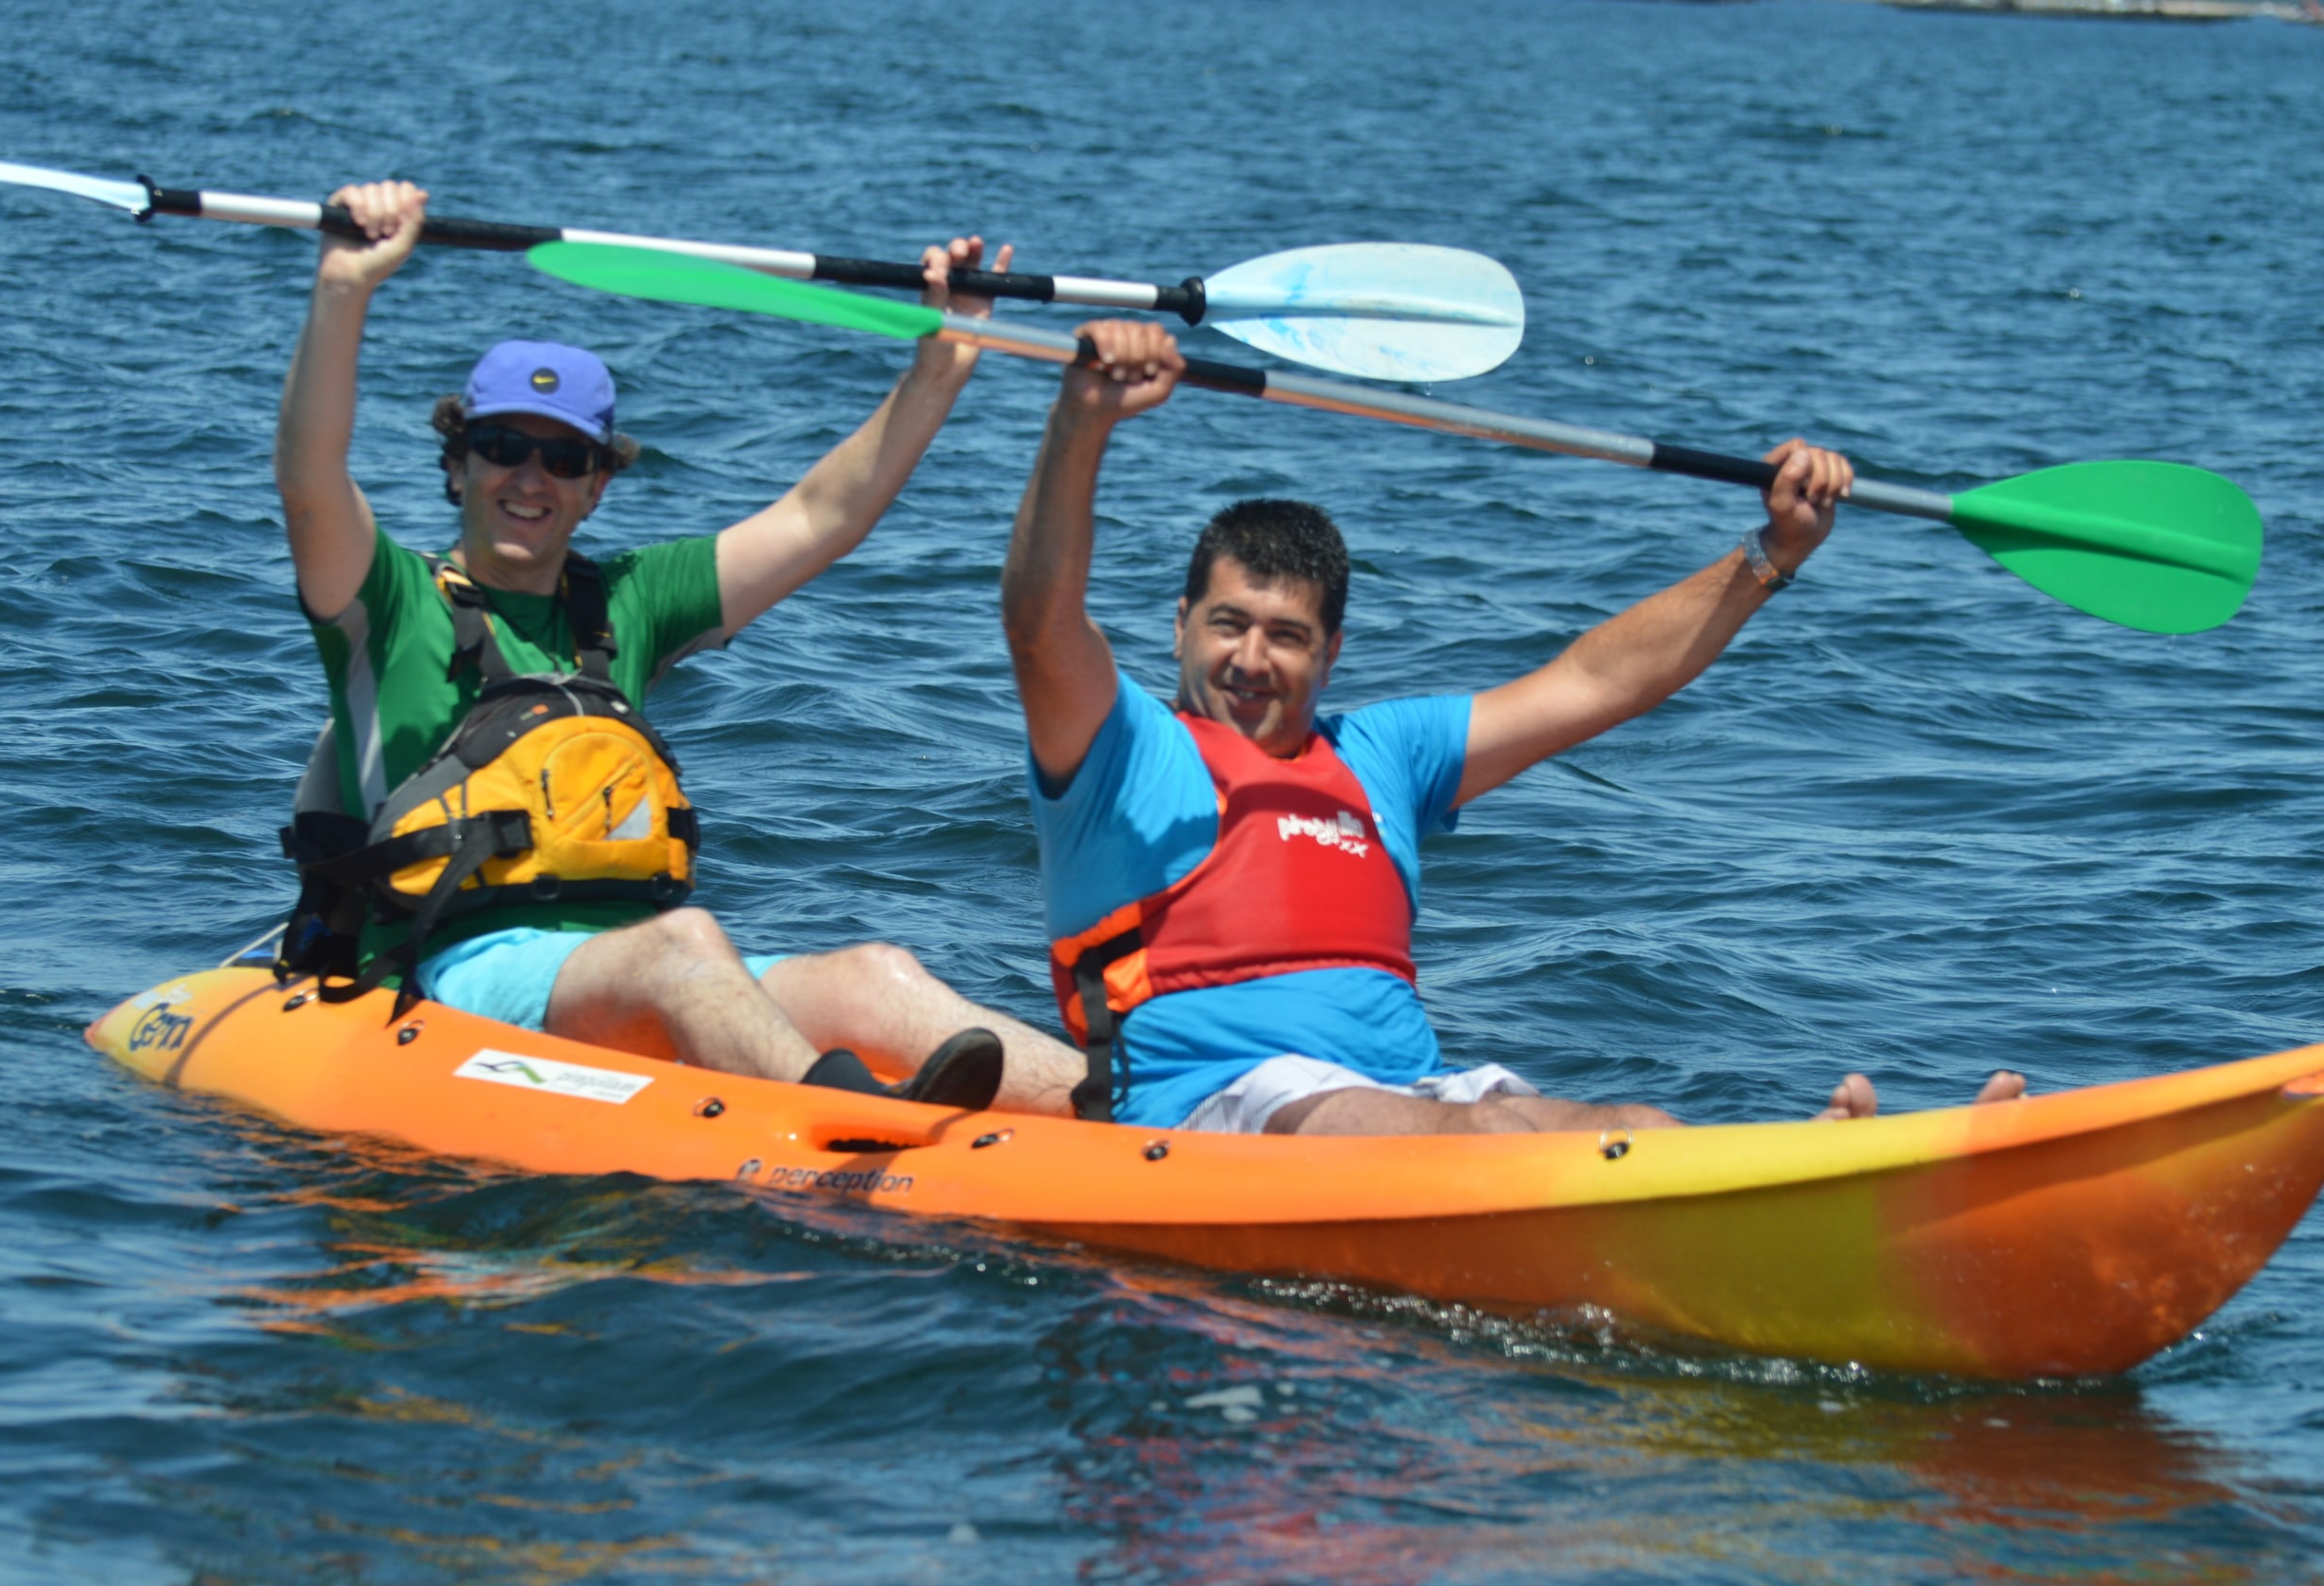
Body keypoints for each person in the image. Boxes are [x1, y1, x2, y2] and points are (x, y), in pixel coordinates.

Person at [1000, 320, 2028, 1136]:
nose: (1252, 660)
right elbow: (1039, 619)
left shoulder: (1382, 755)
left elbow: (1597, 681)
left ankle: (1836, 1184)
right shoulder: (1119, 750)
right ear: (1180, 627)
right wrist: (1081, 423)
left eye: (1287, 635)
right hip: (1220, 1108)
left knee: (1624, 1121)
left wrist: (1772, 552)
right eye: (1227, 625)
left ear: (1332, 653)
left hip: (1409, 1091)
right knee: (1446, 1133)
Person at [274, 180, 1082, 1114]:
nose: (531, 477)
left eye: (566, 459)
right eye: (502, 447)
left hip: (637, 964)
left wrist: (948, 350)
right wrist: (344, 287)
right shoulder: (386, 599)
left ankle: (1125, 1115)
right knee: (685, 945)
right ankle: (843, 1129)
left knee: (877, 973)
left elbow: (825, 514)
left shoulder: (629, 601)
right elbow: (309, 478)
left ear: (596, 489)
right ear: (458, 464)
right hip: (454, 971)